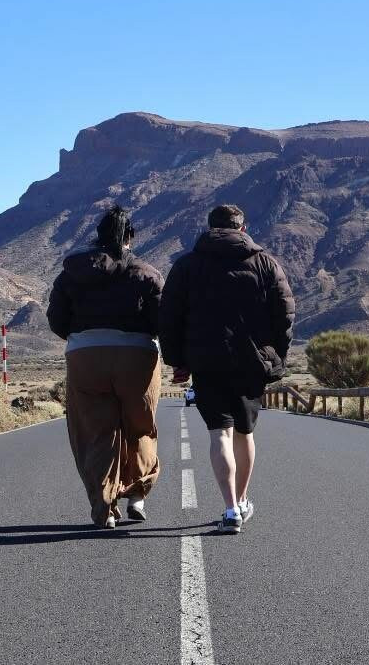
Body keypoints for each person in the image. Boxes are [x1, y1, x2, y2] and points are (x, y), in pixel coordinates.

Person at [159, 204, 295, 534]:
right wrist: (276, 356)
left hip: (207, 362)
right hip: (250, 362)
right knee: (245, 433)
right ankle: (243, 499)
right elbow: (285, 312)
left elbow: (169, 317)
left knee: (220, 433)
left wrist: (178, 362)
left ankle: (231, 507)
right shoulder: (265, 263)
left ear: (209, 227)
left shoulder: (187, 265)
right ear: (242, 228)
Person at [46, 206, 164, 529]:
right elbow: (161, 319)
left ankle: (104, 508)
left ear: (97, 236)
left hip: (86, 355)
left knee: (96, 431)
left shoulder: (73, 271)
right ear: (130, 237)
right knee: (139, 424)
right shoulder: (147, 273)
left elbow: (56, 317)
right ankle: (137, 494)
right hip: (137, 357)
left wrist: (81, 337)